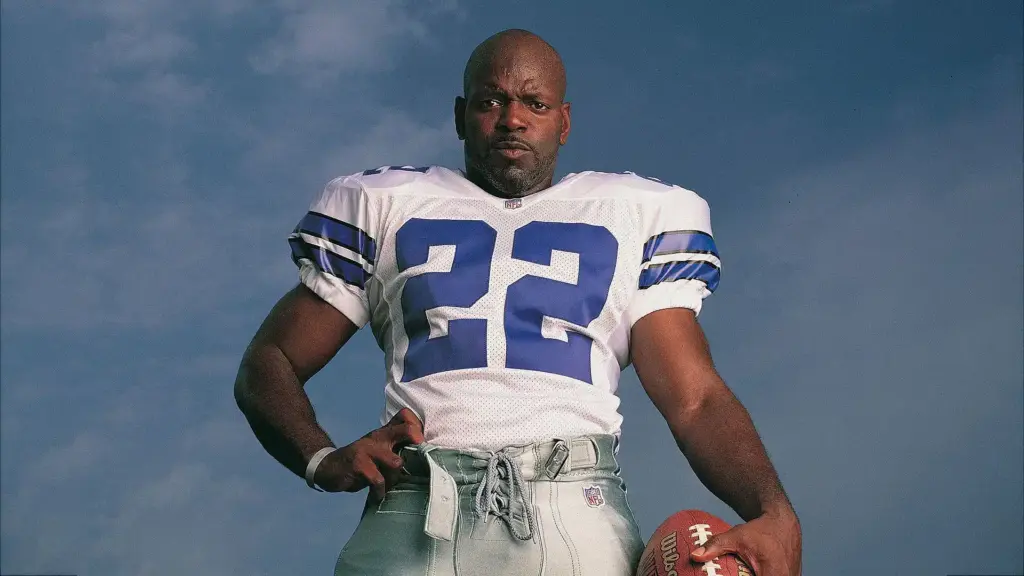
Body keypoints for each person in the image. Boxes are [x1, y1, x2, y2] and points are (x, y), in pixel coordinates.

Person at [234, 28, 802, 576]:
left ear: (564, 122)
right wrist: (321, 459)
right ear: (460, 116)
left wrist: (771, 509)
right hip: (417, 504)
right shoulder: (386, 204)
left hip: (575, 510)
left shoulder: (635, 215)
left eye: (535, 103)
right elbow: (269, 361)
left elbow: (693, 398)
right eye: (491, 102)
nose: (512, 119)